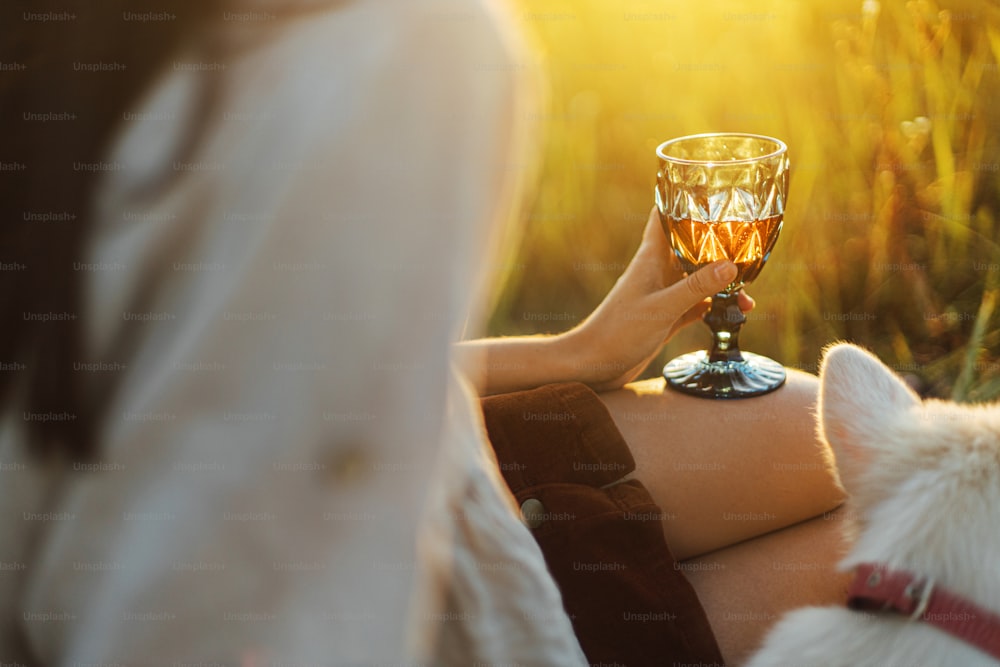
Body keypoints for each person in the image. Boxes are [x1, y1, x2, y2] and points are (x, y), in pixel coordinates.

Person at [0, 0, 846, 665]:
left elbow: (257, 366)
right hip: (370, 586)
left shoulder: (101, 37)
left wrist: (572, 353)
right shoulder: (405, 52)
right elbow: (220, 600)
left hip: (431, 466)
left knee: (830, 441)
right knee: (916, 538)